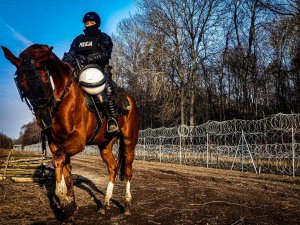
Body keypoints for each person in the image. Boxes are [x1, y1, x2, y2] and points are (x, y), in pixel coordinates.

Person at [62, 11, 119, 133]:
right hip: (79, 71)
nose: (89, 24)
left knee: (107, 89)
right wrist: (64, 62)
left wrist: (88, 59)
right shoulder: (78, 39)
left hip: (98, 70)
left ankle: (112, 120)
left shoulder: (104, 37)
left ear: (97, 23)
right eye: (87, 23)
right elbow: (70, 54)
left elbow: (106, 54)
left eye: (91, 22)